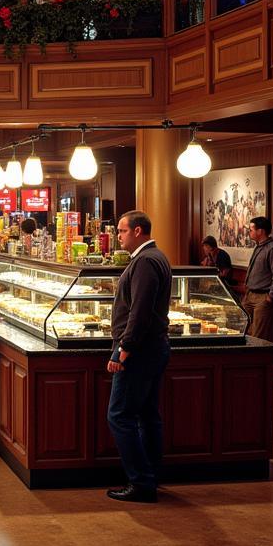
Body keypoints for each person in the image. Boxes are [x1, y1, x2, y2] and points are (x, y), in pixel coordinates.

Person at [105, 210, 172, 503]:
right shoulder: (155, 257)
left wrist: (123, 349)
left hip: (140, 351)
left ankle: (141, 482)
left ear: (138, 231)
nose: (117, 236)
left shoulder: (145, 261)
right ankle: (152, 475)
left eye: (121, 231)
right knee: (147, 415)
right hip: (154, 348)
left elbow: (140, 311)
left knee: (119, 415)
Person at [242, 215, 273, 341]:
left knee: (259, 335)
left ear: (260, 231)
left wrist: (271, 296)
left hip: (263, 297)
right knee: (245, 329)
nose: (249, 232)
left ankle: (257, 360)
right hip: (250, 294)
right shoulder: (259, 246)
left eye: (251, 229)